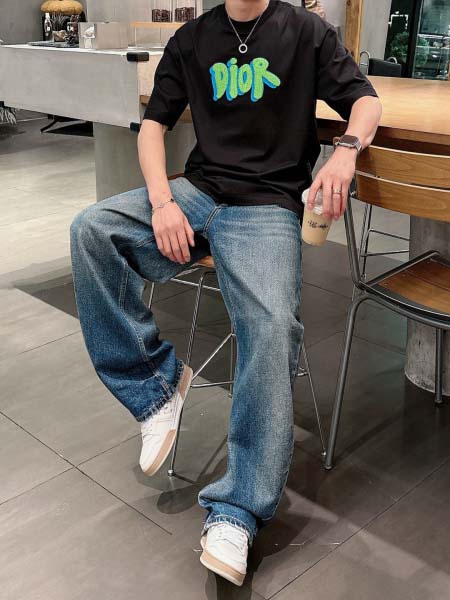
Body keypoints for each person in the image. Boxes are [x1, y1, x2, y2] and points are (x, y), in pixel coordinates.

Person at [70, 0, 382, 587]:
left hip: (268, 207)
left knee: (270, 326)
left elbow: (365, 100)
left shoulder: (306, 32)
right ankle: (156, 389)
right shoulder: (192, 39)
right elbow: (154, 126)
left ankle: (238, 510)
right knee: (93, 231)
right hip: (198, 193)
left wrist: (345, 151)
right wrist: (162, 201)